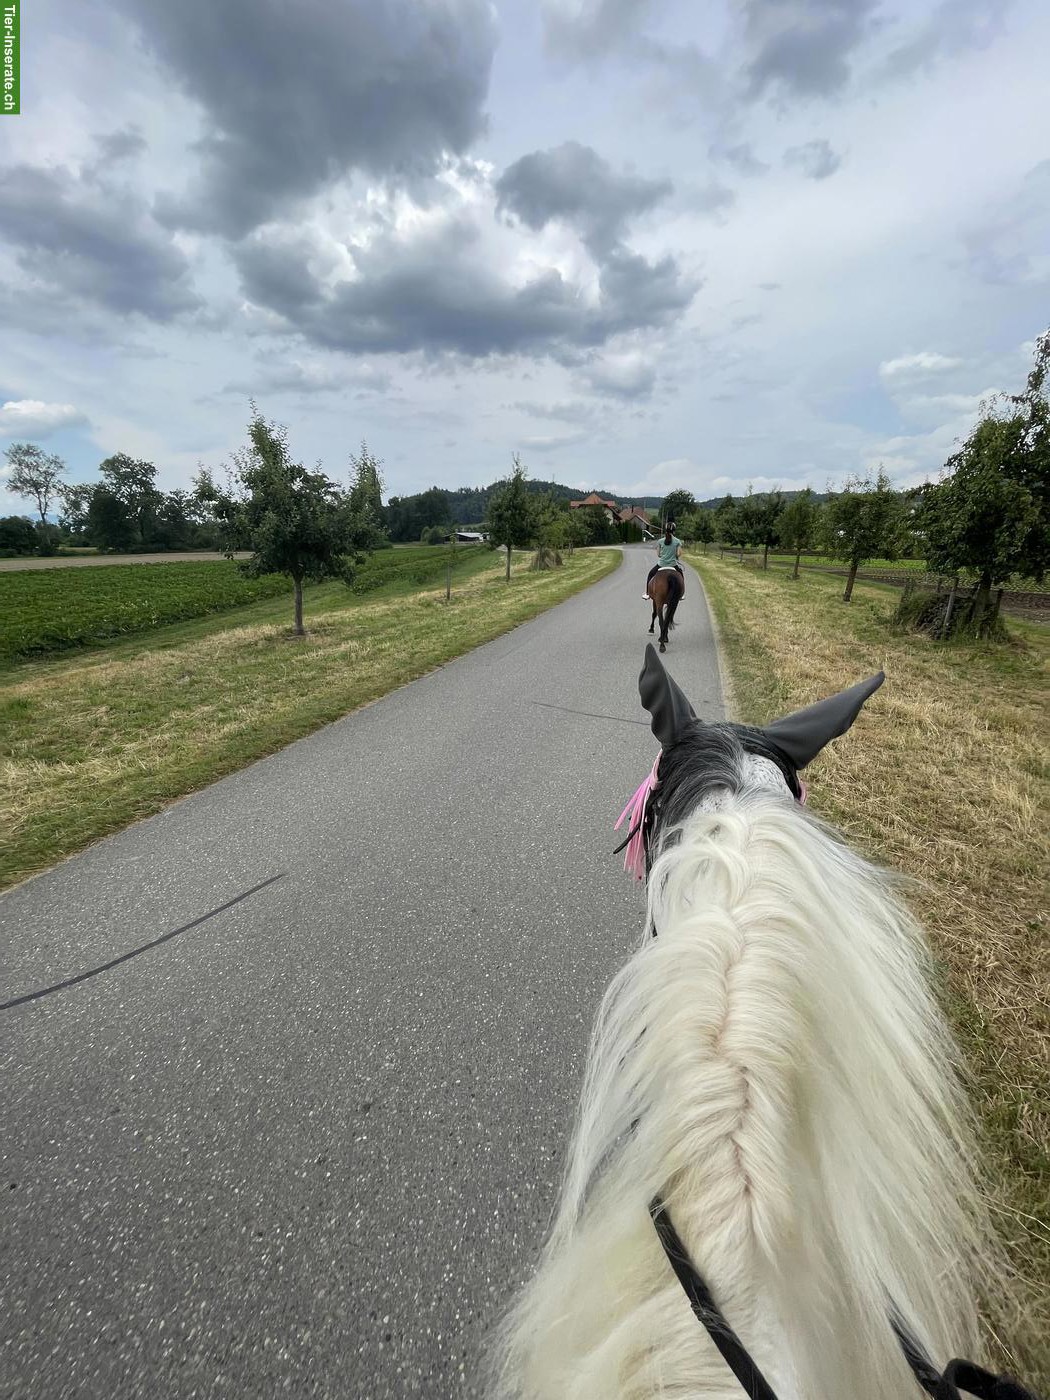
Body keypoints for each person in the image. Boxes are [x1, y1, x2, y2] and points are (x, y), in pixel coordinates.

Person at [644, 521, 685, 599]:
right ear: (674, 531)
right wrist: (674, 555)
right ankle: (681, 594)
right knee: (681, 575)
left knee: (650, 574)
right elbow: (678, 554)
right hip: (673, 564)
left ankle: (647, 593)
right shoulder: (677, 541)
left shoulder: (660, 541)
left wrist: (664, 555)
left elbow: (659, 554)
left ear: (665, 530)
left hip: (661, 564)